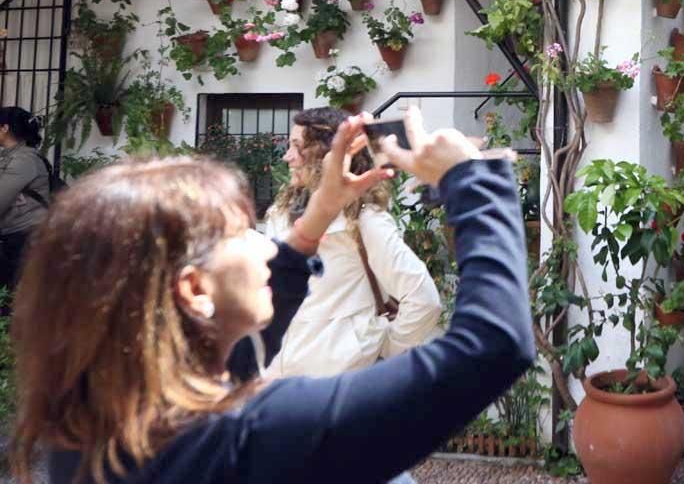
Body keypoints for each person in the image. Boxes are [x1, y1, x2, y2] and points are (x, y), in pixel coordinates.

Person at [12, 109, 535, 484]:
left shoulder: (96, 424)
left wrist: (320, 213)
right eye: (242, 233)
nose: (266, 246)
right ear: (194, 290)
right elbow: (493, 345)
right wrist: (473, 179)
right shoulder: (252, 436)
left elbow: (238, 351)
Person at [263, 107, 442, 377]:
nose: (288, 157)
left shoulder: (365, 220)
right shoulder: (279, 214)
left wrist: (381, 348)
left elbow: (424, 299)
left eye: (298, 148)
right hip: (276, 383)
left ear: (325, 156)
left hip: (339, 390)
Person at [0, 107, 50, 296]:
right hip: (13, 237)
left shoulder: (25, 159)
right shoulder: (9, 157)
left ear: (4, 128)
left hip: (28, 238)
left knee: (20, 299)